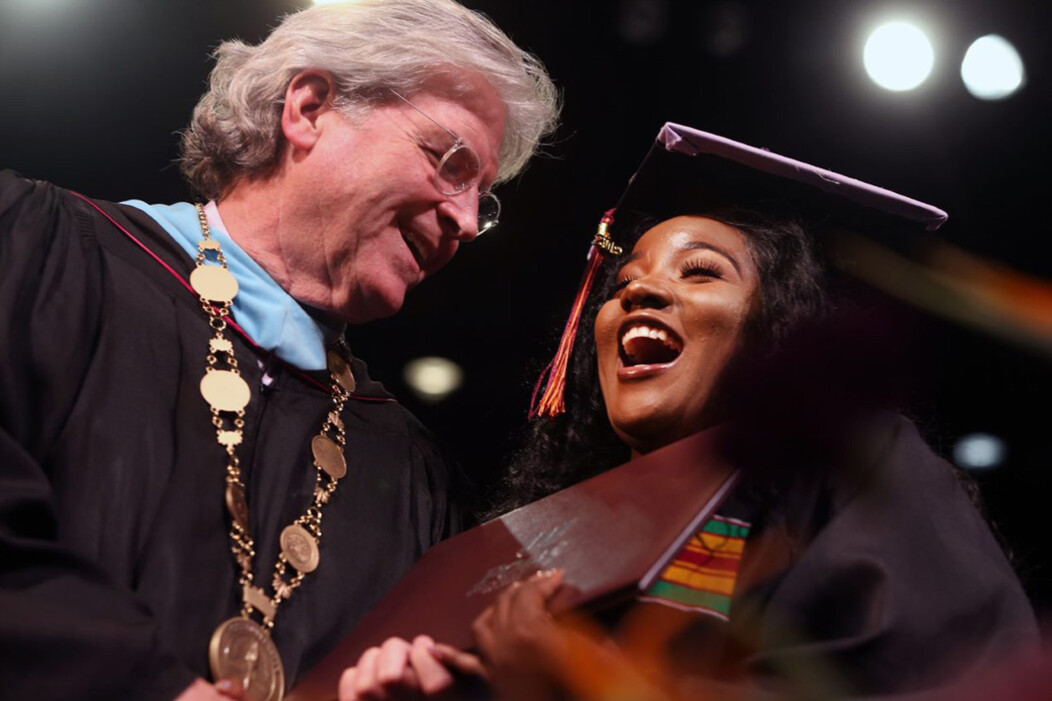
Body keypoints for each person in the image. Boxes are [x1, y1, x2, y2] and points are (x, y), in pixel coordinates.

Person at [340, 123, 1038, 700]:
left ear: (777, 330)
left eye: (700, 271)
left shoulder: (857, 464)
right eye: (624, 282)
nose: (639, 295)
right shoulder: (551, 547)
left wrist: (591, 684)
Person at [0, 2, 558, 700]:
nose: (468, 221)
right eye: (450, 163)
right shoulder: (35, 251)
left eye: (484, 197)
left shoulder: (416, 479)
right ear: (309, 108)